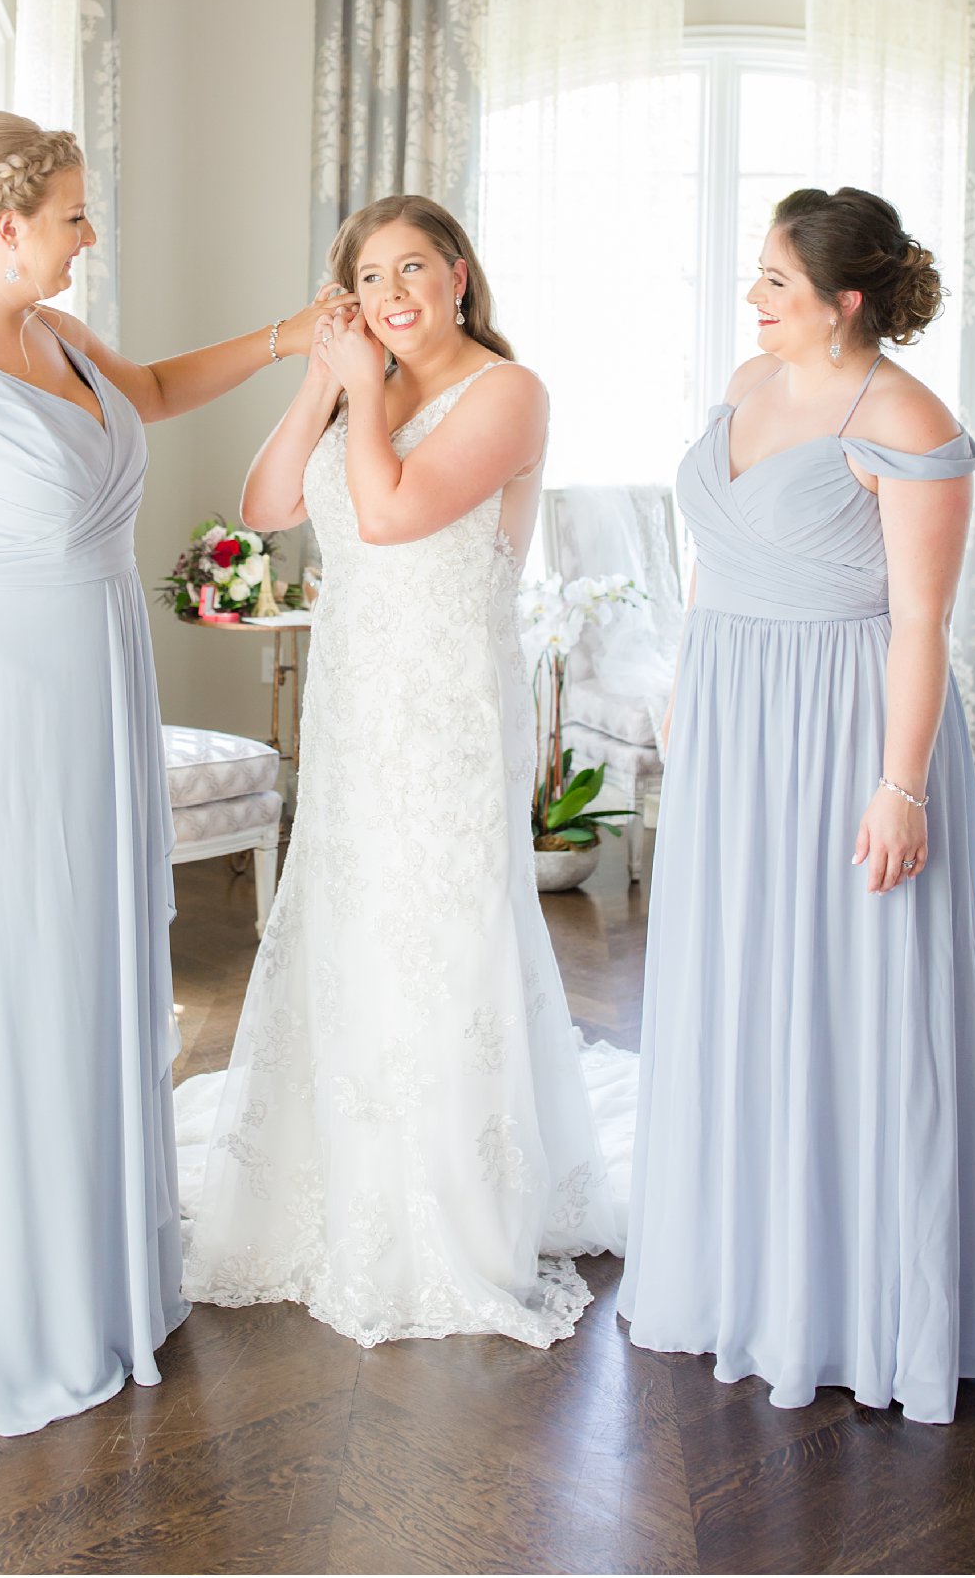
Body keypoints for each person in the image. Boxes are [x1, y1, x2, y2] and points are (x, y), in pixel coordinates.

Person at [0, 110, 322, 1459]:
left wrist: (287, 340)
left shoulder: (63, 336)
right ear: (10, 221)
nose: (93, 233)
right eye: (77, 212)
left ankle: (85, 1273)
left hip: (93, 702)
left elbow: (145, 392)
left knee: (85, 975)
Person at [176, 194, 623, 1350]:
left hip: (442, 714)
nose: (392, 295)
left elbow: (385, 517)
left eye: (412, 267)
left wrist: (362, 390)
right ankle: (337, 1178)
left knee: (435, 936)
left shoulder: (505, 393)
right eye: (369, 278)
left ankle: (445, 1216)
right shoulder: (360, 386)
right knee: (348, 928)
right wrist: (322, 381)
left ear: (459, 274)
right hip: (354, 705)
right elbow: (269, 505)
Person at [618, 186, 975, 1425]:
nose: (753, 298)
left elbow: (919, 620)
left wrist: (899, 788)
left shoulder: (903, 415)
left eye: (775, 282)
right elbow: (712, 552)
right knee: (736, 978)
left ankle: (848, 1300)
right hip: (735, 713)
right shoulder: (746, 377)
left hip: (845, 725)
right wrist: (690, 679)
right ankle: (739, 1270)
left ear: (844, 302)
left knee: (846, 992)